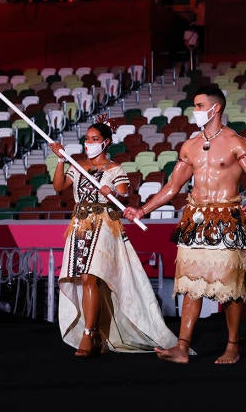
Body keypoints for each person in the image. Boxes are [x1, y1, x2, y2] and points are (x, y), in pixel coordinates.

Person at [123, 85, 246, 364]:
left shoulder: (236, 142)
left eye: (200, 105)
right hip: (196, 219)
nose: (195, 111)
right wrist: (142, 210)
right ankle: (182, 346)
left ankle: (233, 346)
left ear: (216, 108)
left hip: (227, 218)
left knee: (230, 288)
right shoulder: (189, 146)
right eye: (195, 105)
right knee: (191, 284)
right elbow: (172, 187)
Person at [50, 121, 180, 358]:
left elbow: (124, 194)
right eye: (87, 139)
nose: (88, 143)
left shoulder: (115, 169)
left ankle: (88, 334)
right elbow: (59, 186)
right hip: (79, 225)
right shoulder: (78, 166)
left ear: (106, 142)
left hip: (103, 224)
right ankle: (96, 332)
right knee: (84, 278)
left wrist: (112, 194)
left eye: (94, 139)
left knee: (91, 276)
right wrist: (60, 160)